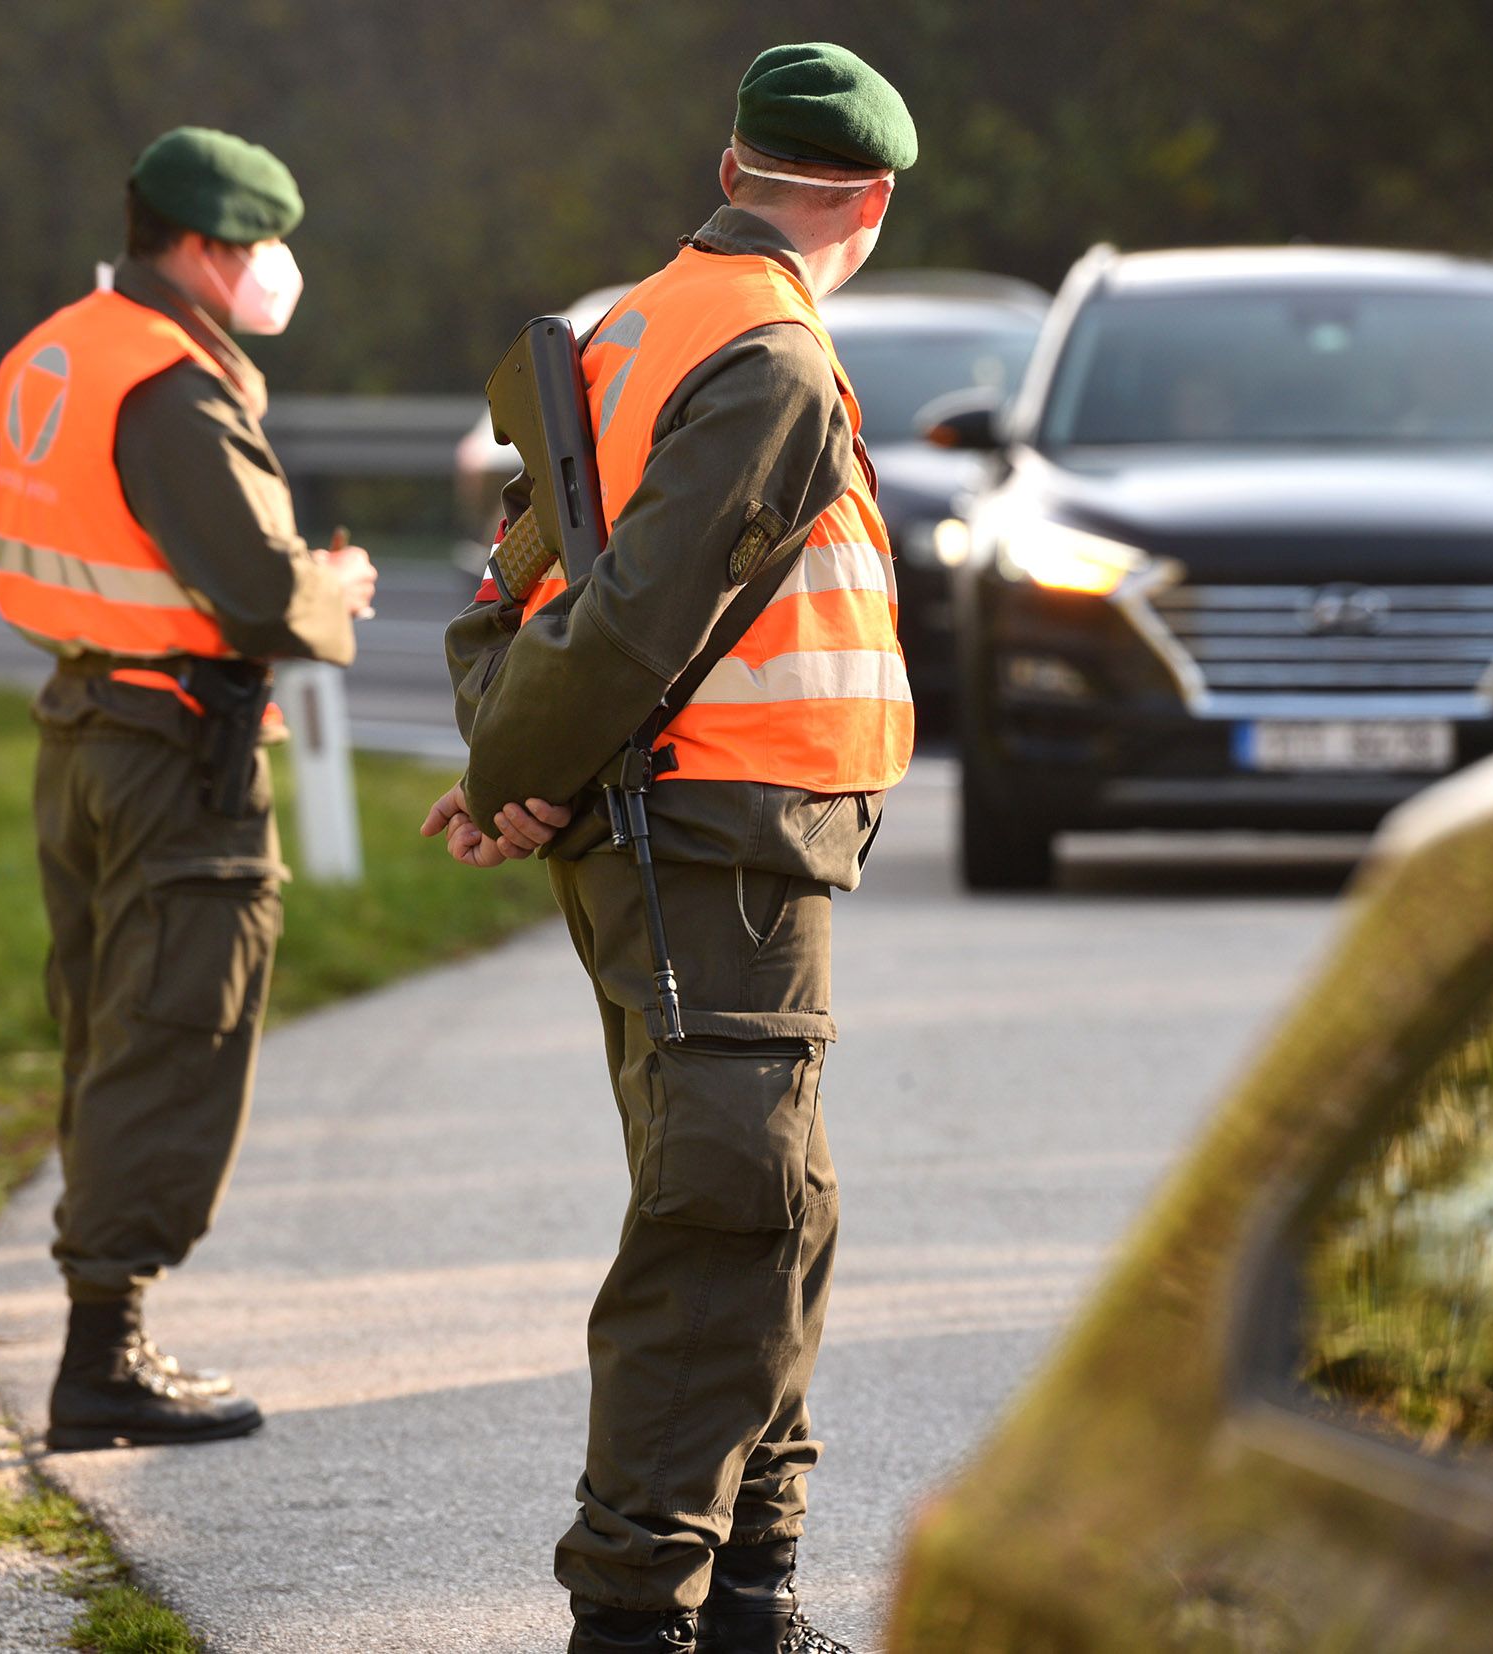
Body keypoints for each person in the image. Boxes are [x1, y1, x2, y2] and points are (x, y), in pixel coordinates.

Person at [424, 42, 917, 1654]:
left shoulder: (631, 327)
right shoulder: (773, 357)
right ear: (874, 203)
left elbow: (513, 592)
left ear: (729, 172)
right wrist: (519, 770)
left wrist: (516, 772)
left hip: (683, 830)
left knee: (776, 1208)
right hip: (714, 836)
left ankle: (756, 1598)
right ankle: (639, 1617)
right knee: (728, 1220)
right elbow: (636, 618)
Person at [0, 125, 377, 1452]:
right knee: (171, 1030)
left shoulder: (58, 349)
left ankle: (105, 1335)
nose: (278, 270)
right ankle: (104, 1359)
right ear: (205, 246)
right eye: (264, 245)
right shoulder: (172, 384)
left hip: (84, 725)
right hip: (174, 755)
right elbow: (260, 591)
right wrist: (336, 588)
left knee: (110, 1027)